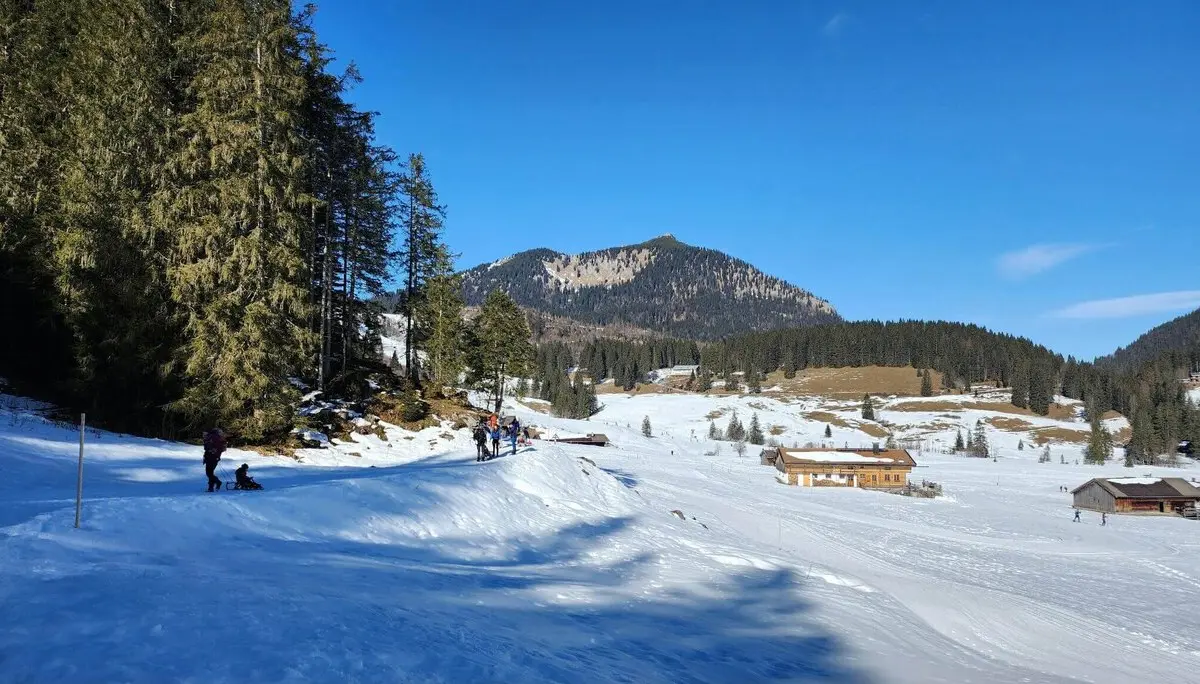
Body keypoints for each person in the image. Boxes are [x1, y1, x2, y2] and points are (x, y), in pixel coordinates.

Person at [202, 428, 226, 492]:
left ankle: (217, 482)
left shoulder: (212, 437)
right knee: (210, 473)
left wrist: (213, 452)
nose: (203, 435)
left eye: (204, 433)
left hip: (212, 457)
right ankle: (211, 488)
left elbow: (217, 448)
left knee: (209, 473)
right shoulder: (212, 437)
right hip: (213, 457)